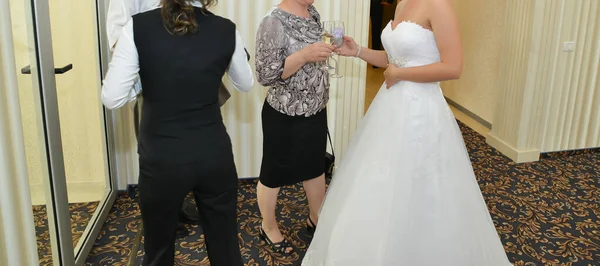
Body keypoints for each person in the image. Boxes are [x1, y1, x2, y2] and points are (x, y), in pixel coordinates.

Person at [302, 0, 513, 265]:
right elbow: (393, 59)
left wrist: (401, 73)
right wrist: (358, 51)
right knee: (379, 178)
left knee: (418, 184)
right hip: (390, 105)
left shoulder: (439, 6)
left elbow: (453, 67)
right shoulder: (402, 4)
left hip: (421, 110)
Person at [101, 0, 254, 264]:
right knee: (226, 246)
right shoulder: (226, 29)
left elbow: (112, 98)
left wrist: (146, 79)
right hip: (213, 155)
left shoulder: (136, 28)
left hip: (162, 158)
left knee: (158, 249)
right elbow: (246, 83)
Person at [254, 0, 334, 255]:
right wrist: (303, 56)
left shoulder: (312, 12)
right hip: (284, 114)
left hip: (315, 109)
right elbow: (265, 75)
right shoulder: (273, 21)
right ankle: (268, 227)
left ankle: (315, 217)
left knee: (314, 167)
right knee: (273, 174)